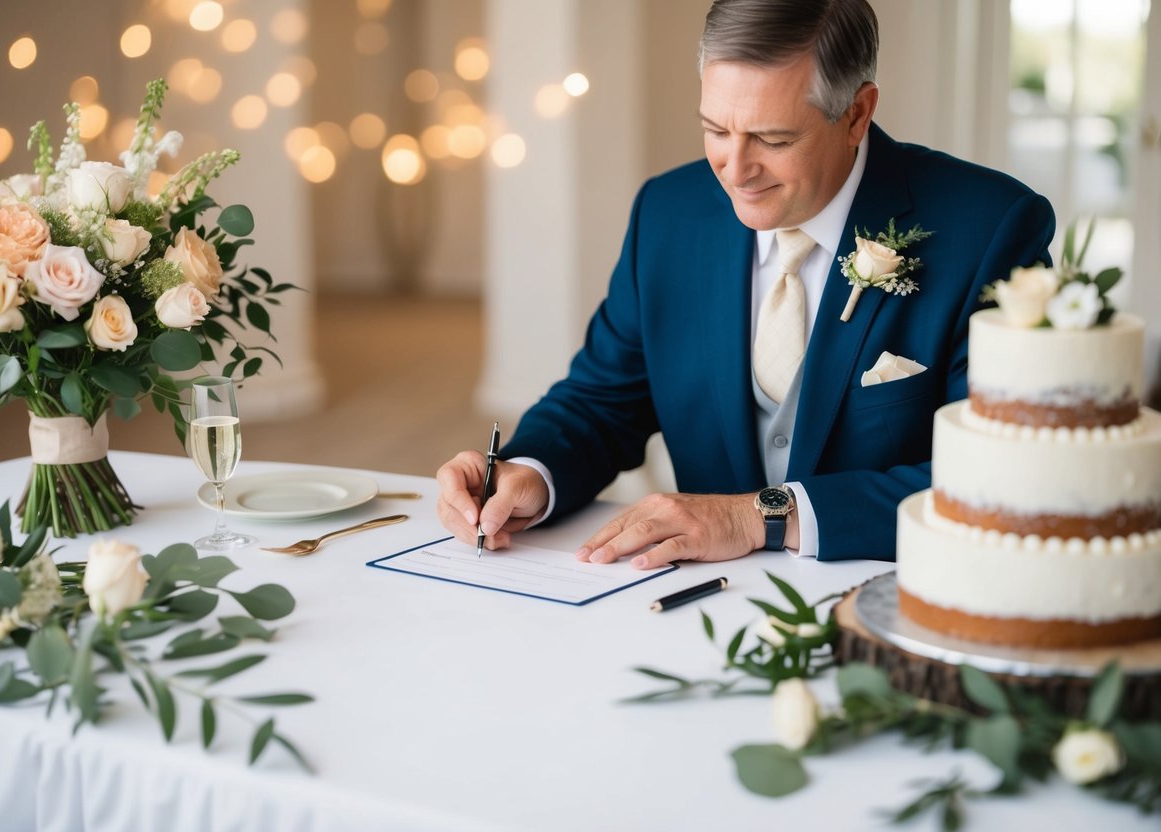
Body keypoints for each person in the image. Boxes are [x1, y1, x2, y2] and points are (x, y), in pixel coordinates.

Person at [436, 0, 1055, 567]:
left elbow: (1001, 474)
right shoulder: (668, 214)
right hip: (694, 605)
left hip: (896, 600)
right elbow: (603, 400)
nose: (735, 169)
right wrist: (528, 472)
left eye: (773, 138)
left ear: (857, 114)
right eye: (715, 129)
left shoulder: (989, 229)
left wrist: (759, 516)